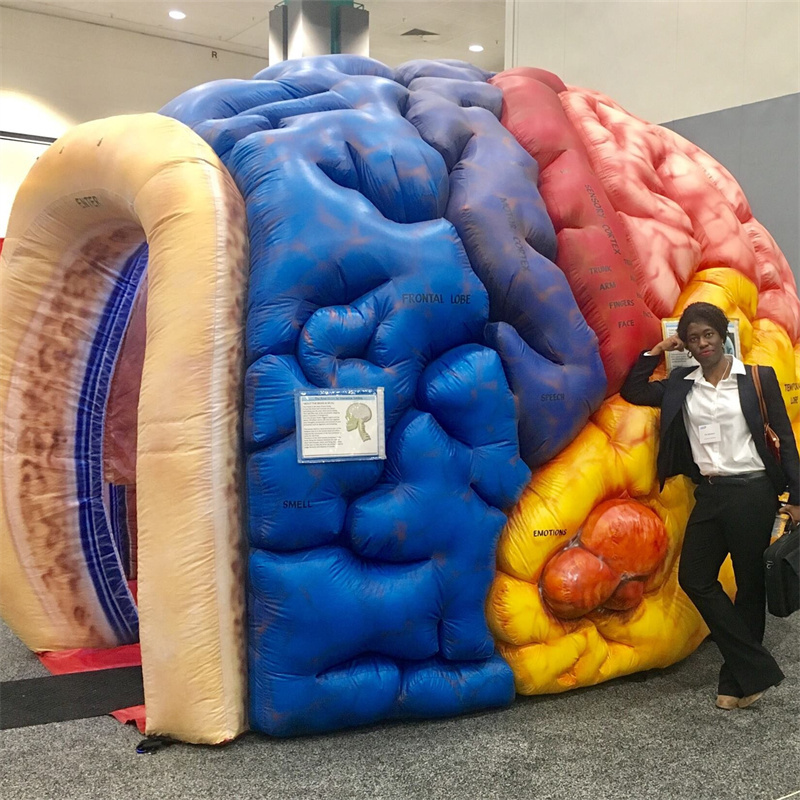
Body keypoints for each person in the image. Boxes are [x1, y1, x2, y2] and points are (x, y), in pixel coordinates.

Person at [621, 301, 800, 710]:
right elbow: (634, 389)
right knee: (696, 578)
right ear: (685, 343)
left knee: (750, 585)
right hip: (710, 493)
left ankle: (738, 681)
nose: (702, 343)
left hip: (754, 493)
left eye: (709, 335)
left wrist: (798, 498)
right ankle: (755, 668)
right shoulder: (682, 383)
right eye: (693, 338)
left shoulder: (756, 378)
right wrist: (657, 350)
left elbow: (786, 441)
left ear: (723, 336)